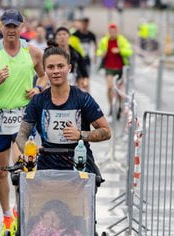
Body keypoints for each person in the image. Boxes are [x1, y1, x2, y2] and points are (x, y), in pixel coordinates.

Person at [0, 9, 48, 236]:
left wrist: (37, 88)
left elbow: (45, 76)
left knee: (24, 167)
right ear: (1, 28)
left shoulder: (33, 52)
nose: (11, 30)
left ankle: (20, 210)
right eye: (7, 26)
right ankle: (7, 215)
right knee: (0, 171)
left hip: (23, 119)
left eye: (14, 26)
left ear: (21, 27)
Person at [16, 44, 111, 172]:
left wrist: (80, 134)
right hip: (47, 168)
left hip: (80, 166)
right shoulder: (38, 100)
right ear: (44, 70)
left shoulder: (83, 98)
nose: (56, 71)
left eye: (60, 66)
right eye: (51, 67)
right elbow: (21, 136)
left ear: (69, 68)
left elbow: (106, 131)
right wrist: (28, 149)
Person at [96, 23, 133, 119]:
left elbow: (129, 51)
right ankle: (112, 107)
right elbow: (99, 51)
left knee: (119, 90)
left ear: (117, 32)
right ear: (109, 32)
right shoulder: (105, 40)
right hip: (108, 67)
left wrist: (119, 50)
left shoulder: (121, 40)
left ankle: (120, 106)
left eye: (114, 32)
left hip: (120, 68)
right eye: (111, 32)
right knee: (110, 87)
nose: (112, 33)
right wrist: (101, 53)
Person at [72, 17, 96, 91]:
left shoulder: (91, 35)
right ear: (81, 24)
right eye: (84, 24)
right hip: (77, 59)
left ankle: (87, 95)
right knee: (78, 80)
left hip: (86, 59)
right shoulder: (75, 34)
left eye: (86, 24)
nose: (85, 26)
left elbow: (95, 46)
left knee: (86, 78)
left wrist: (95, 57)